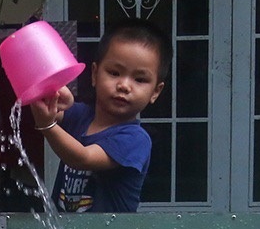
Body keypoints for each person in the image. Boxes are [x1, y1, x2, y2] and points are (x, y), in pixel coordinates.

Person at [29, 19, 166, 213]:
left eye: (140, 79)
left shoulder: (135, 140)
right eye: (114, 72)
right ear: (94, 74)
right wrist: (55, 92)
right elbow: (44, 103)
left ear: (155, 92)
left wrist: (47, 127)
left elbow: (82, 158)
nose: (124, 86)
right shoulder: (82, 116)